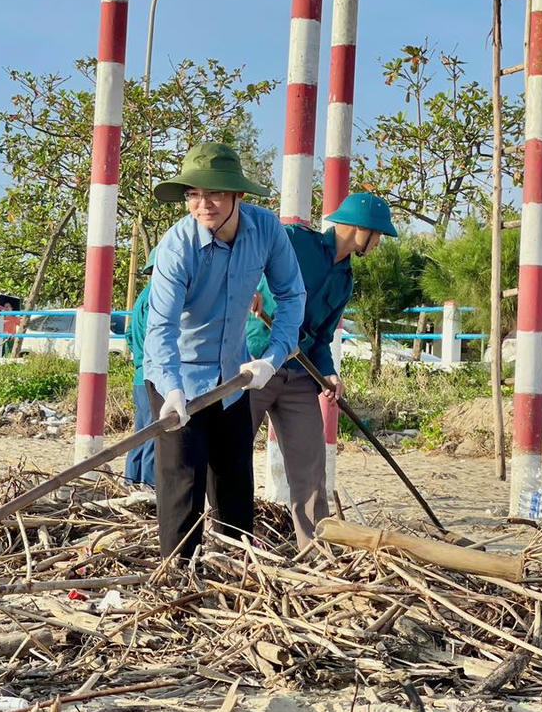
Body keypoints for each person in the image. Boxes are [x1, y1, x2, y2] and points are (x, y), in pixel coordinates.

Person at [144, 142, 306, 559]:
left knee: (234, 482)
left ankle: (238, 573)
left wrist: (274, 356)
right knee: (182, 482)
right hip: (177, 376)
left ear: (238, 195)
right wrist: (172, 391)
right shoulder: (176, 246)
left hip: (233, 377)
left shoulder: (266, 229)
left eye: (214, 193)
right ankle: (177, 577)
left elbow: (292, 294)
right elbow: (160, 326)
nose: (203, 204)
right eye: (194, 194)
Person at [245, 192, 398, 547]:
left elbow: (323, 335)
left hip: (300, 372)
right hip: (256, 361)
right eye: (377, 236)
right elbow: (252, 255)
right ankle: (223, 538)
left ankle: (314, 548)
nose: (377, 244)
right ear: (361, 229)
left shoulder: (345, 279)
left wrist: (328, 372)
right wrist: (250, 288)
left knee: (311, 469)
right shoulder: (296, 241)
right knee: (231, 454)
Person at [124, 258, 156, 487]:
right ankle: (149, 485)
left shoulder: (142, 296)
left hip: (140, 373)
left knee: (140, 433)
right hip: (154, 374)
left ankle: (130, 481)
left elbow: (129, 335)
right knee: (155, 433)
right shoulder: (158, 296)